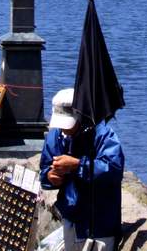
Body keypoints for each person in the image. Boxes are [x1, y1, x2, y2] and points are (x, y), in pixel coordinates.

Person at [40, 87, 125, 251]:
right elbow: (45, 169)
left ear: (79, 115)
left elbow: (114, 170)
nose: (64, 129)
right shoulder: (55, 135)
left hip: (99, 221)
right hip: (70, 215)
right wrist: (50, 177)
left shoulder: (102, 134)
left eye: (68, 124)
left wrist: (78, 165)